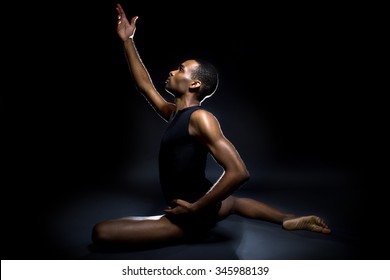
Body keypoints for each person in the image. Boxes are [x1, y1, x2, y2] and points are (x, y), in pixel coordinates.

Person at [91, 3, 331, 249]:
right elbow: (145, 86)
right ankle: (287, 218)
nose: (172, 71)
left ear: (194, 84)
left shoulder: (200, 118)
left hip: (191, 214)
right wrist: (128, 40)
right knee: (234, 204)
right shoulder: (175, 114)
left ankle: (190, 230)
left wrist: (195, 209)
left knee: (101, 232)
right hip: (206, 202)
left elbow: (239, 172)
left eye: (181, 69)